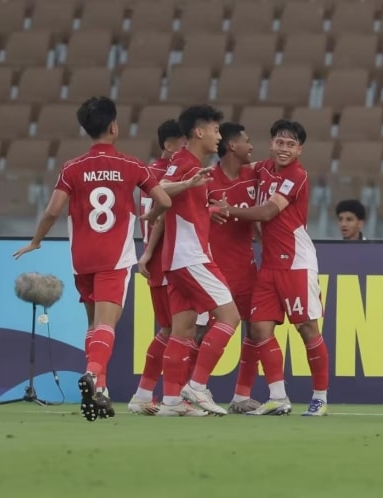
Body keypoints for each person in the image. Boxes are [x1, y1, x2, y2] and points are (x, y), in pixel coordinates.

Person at [12, 96, 175, 422]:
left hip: (81, 257)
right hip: (113, 256)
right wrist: (150, 214)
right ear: (114, 126)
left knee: (92, 324)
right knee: (106, 324)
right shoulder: (133, 165)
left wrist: (36, 241)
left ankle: (100, 389)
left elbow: (53, 210)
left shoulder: (72, 168)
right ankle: (92, 374)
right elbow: (165, 201)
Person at [218, 119, 329, 417]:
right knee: (258, 329)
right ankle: (278, 396)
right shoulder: (263, 168)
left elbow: (268, 211)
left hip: (296, 262)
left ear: (300, 150)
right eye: (280, 142)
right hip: (268, 265)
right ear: (271, 144)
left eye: (290, 144)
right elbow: (234, 169)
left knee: (307, 329)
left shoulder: (298, 175)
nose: (284, 149)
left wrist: (229, 211)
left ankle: (320, 397)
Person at [157, 104, 241, 417]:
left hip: (178, 258)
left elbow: (180, 207)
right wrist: (189, 184)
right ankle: (197, 385)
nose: (219, 136)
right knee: (230, 317)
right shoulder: (185, 162)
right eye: (216, 130)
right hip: (191, 256)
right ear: (199, 131)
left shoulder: (191, 164)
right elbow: (160, 190)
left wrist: (209, 211)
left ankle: (170, 402)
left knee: (183, 330)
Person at [128, 119, 186, 415]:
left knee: (171, 329)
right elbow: (163, 218)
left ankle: (145, 393)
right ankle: (174, 397)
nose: (187, 149)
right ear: (168, 145)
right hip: (169, 261)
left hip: (161, 261)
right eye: (182, 143)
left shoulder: (148, 173)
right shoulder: (166, 176)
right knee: (181, 329)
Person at [204, 122, 262, 414]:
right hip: (213, 271)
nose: (252, 147)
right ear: (231, 146)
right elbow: (186, 214)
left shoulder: (255, 174)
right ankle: (190, 389)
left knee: (254, 331)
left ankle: (241, 396)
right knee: (201, 333)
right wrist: (209, 211)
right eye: (247, 141)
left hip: (247, 270)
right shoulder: (206, 180)